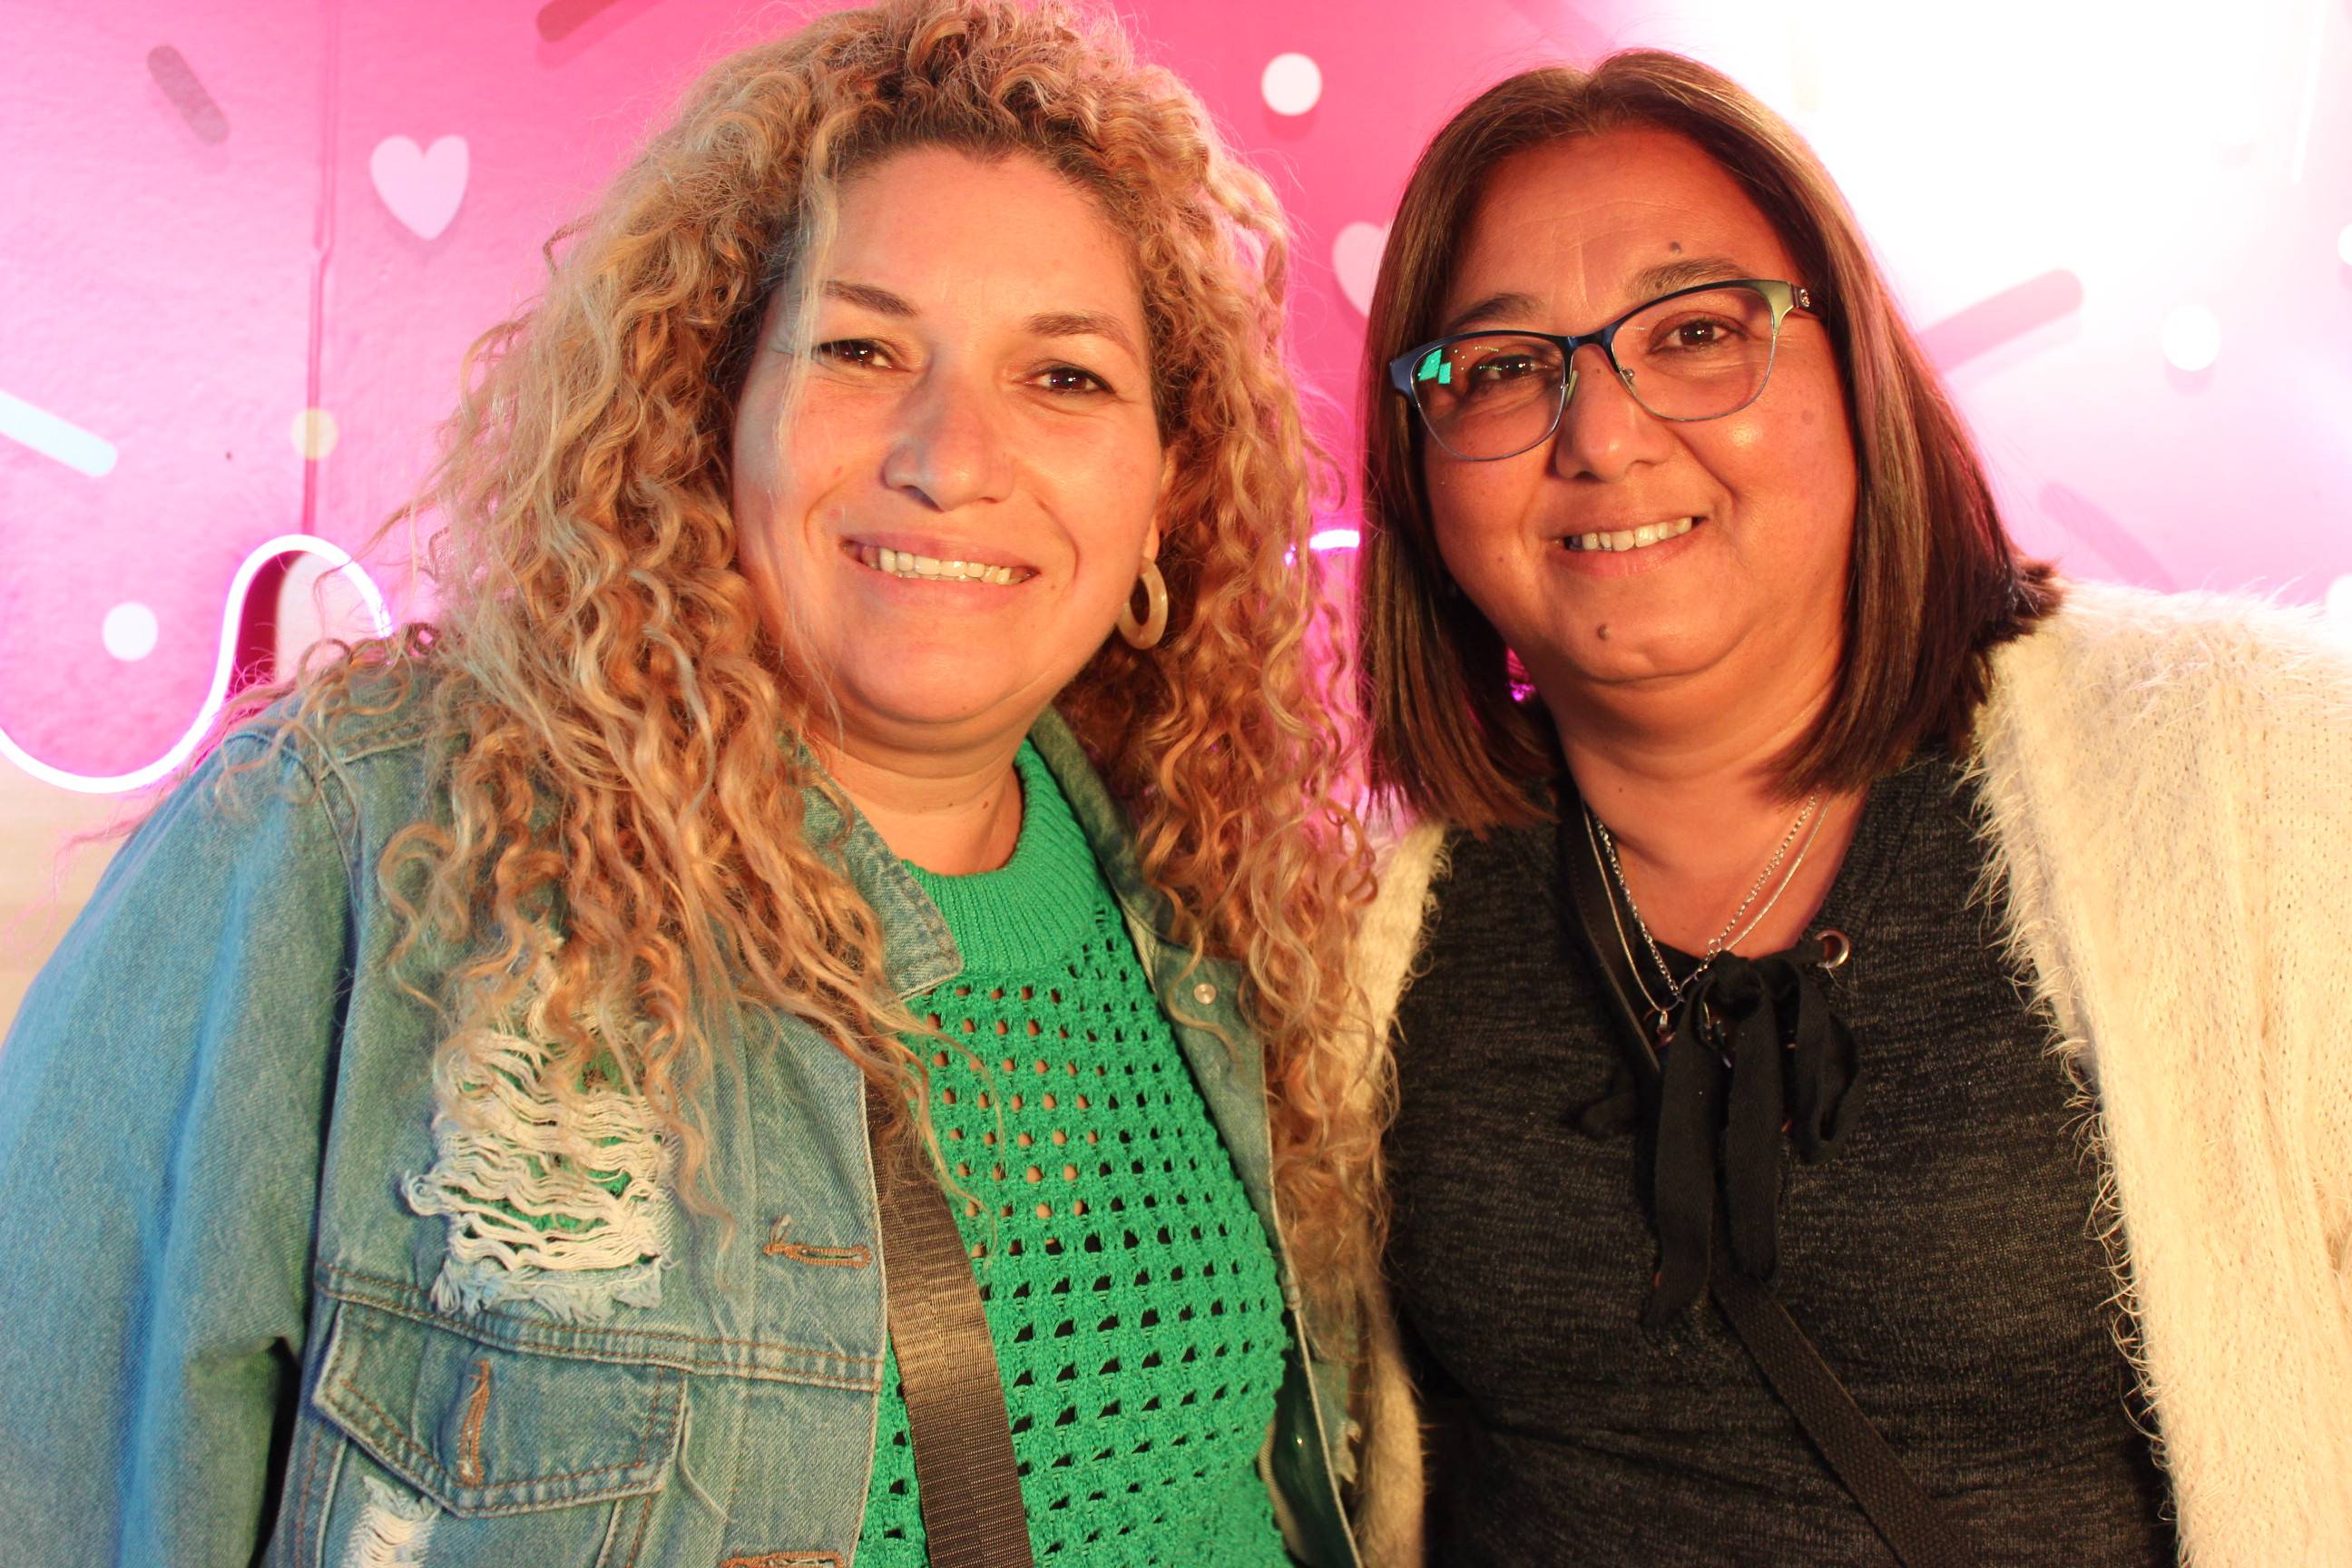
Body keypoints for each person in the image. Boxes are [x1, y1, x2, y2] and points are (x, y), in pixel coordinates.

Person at [0, 4, 1382, 1563]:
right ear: (709, 410)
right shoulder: (354, 840)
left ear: (1166, 489)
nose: (951, 458)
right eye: (860, 348)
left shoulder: (1200, 896)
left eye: (1063, 376)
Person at [1340, 51, 2352, 1568]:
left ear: (1857, 371)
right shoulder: (1357, 937)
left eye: (1696, 333)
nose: (1600, 437)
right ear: (1419, 471)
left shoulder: (2265, 781)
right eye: (1499, 367)